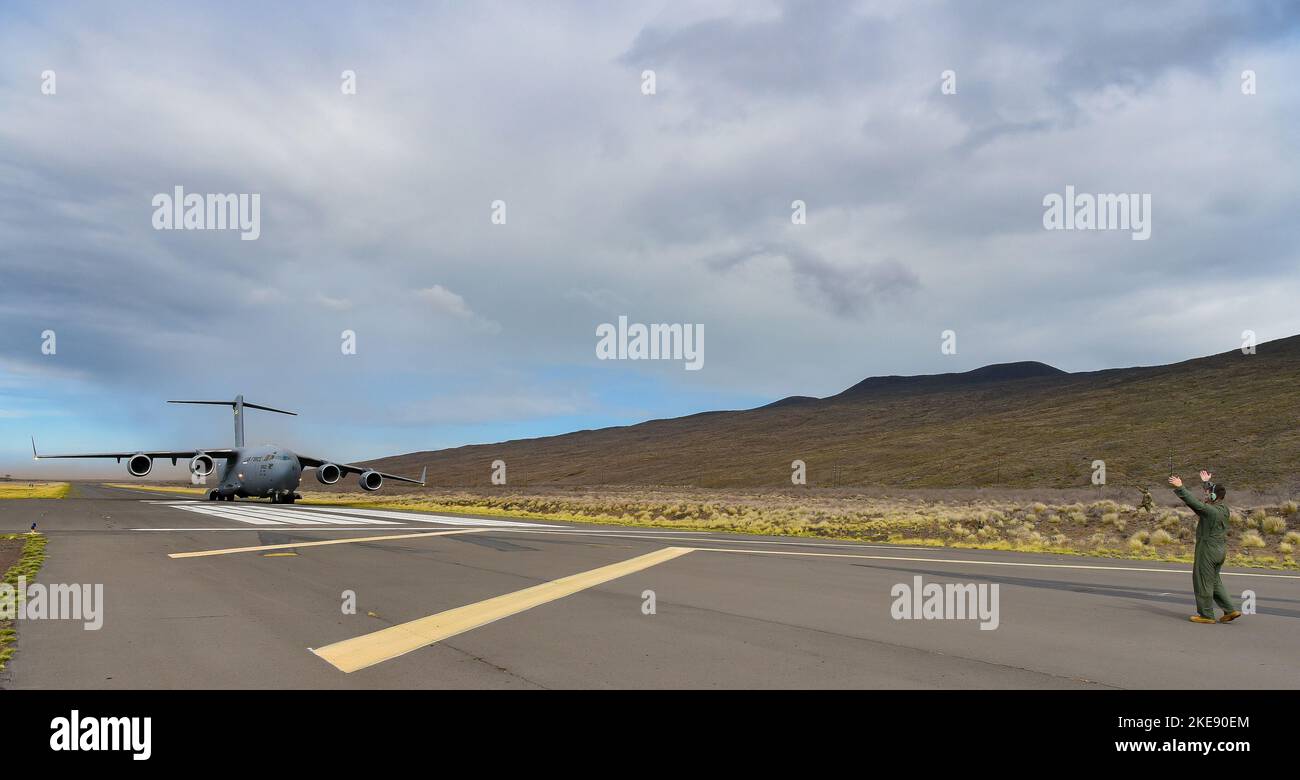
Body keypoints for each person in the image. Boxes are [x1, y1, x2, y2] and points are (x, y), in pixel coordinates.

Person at [1168, 470, 1241, 624]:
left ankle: (1206, 615)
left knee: (1202, 581)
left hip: (1208, 551)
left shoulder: (1211, 512)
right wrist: (1207, 482)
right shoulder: (1224, 509)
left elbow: (1195, 504)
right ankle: (1230, 610)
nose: (1206, 495)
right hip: (1220, 551)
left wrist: (1180, 487)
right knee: (1214, 581)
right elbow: (1208, 500)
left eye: (1208, 493)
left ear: (1213, 496)